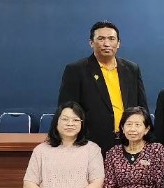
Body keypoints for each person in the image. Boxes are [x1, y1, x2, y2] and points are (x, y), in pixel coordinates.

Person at [58, 21, 148, 153]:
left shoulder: (131, 69)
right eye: (101, 39)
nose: (106, 43)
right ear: (91, 43)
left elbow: (142, 106)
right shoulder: (77, 70)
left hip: (128, 141)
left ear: (118, 43)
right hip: (91, 143)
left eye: (111, 39)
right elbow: (66, 109)